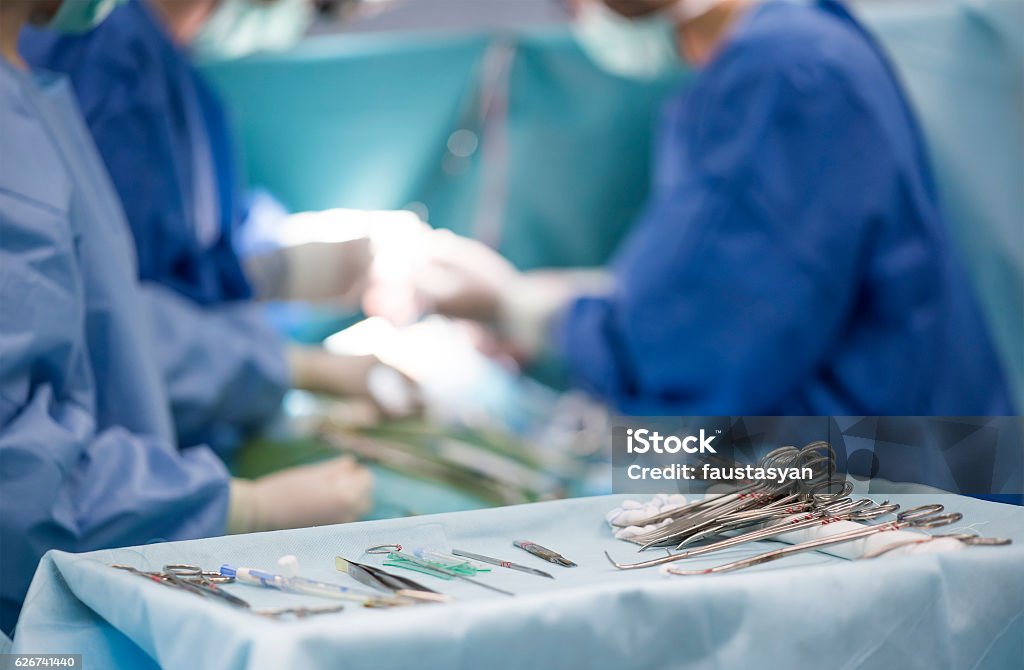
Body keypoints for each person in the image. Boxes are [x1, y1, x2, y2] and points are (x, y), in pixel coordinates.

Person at [388, 0, 1015, 416]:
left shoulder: (785, 74)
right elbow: (728, 281)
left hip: (896, 477)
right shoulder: (797, 43)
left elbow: (692, 343)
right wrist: (542, 302)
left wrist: (521, 310)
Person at [0, 0, 371, 636]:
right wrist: (238, 507)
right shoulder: (102, 60)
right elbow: (18, 483)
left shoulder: (28, 91)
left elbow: (101, 302)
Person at [19, 0, 420, 457]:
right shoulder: (105, 60)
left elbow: (192, 252)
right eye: (323, 8)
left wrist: (287, 267)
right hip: (121, 454)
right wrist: (296, 368)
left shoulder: (166, 71)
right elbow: (103, 322)